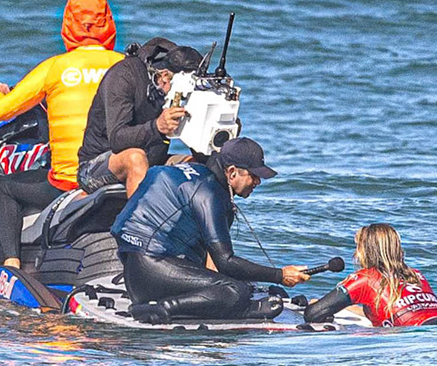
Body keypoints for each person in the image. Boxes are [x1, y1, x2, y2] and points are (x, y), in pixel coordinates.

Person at [0, 0, 123, 271]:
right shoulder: (125, 65)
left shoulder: (55, 68)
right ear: (108, 23)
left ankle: (12, 263)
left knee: (4, 189)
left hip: (68, 182)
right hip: (117, 174)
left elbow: (0, 113)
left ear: (68, 25)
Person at [110, 137, 310, 322]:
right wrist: (279, 275)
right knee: (235, 291)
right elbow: (226, 262)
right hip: (152, 274)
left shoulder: (187, 172)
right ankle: (163, 308)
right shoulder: (209, 193)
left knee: (234, 284)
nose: (258, 182)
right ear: (232, 172)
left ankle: (163, 303)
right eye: (254, 175)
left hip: (134, 270)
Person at [76, 37, 202, 195]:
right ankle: (140, 211)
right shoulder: (123, 76)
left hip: (154, 160)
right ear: (164, 77)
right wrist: (157, 127)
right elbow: (117, 139)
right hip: (97, 165)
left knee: (196, 168)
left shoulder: (174, 85)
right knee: (136, 157)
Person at [301, 224, 437, 326]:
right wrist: (341, 308)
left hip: (434, 331)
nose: (356, 254)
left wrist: (322, 308)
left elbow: (312, 314)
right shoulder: (414, 274)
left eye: (358, 247)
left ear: (367, 251)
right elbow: (391, 310)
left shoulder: (365, 278)